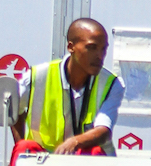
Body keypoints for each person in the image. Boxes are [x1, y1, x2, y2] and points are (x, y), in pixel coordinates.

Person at [11, 18, 122, 158]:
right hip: (43, 158)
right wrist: (20, 145)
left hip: (83, 157)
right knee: (23, 147)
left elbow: (103, 130)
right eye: (92, 48)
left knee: (96, 151)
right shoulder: (37, 77)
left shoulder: (111, 84)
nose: (100, 56)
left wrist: (75, 142)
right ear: (71, 47)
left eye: (103, 49)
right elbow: (14, 111)